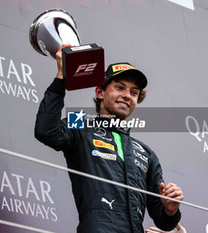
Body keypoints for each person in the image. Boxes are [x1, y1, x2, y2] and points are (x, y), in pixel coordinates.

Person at [35, 44, 184, 233]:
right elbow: (46, 131)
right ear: (100, 92)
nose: (127, 96)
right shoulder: (82, 123)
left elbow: (163, 221)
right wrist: (62, 78)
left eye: (134, 92)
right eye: (120, 87)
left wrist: (171, 209)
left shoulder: (146, 153)